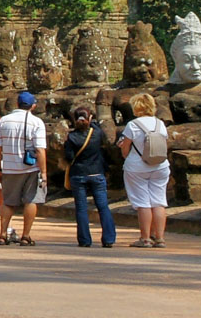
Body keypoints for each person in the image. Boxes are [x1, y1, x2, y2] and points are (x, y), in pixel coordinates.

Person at [0, 90, 48, 246]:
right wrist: (43, 172)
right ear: (33, 106)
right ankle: (26, 235)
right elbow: (40, 150)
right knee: (31, 200)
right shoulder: (36, 122)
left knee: (8, 202)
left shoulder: (3, 121)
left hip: (9, 167)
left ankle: (3, 234)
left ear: (17, 104)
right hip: (30, 168)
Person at [118, 93, 171, 248]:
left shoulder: (133, 125)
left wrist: (125, 152)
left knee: (143, 202)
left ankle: (145, 238)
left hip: (137, 166)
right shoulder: (160, 124)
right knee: (159, 201)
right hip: (160, 165)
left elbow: (125, 149)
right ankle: (160, 238)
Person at [64, 105, 117, 249]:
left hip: (78, 174)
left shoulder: (72, 137)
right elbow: (97, 128)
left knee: (81, 208)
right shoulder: (96, 133)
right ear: (90, 118)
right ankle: (108, 238)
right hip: (96, 172)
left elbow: (68, 157)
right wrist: (92, 119)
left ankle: (85, 240)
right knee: (103, 206)